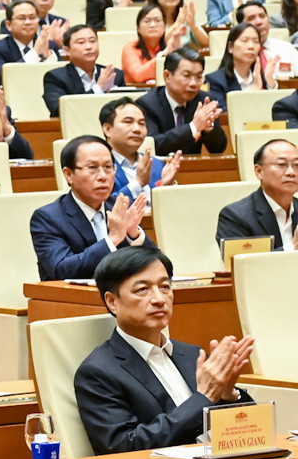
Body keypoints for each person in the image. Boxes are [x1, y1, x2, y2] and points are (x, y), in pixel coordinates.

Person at [73, 243, 255, 453]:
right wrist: (204, 398)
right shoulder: (98, 373)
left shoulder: (193, 355)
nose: (159, 299)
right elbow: (125, 447)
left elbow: (245, 433)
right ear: (112, 302)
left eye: (165, 287)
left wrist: (229, 395)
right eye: (142, 289)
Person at [31, 135, 155, 281]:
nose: (103, 176)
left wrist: (134, 235)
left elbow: (160, 267)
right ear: (69, 175)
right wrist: (112, 239)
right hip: (74, 301)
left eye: (108, 167)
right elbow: (62, 270)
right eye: (92, 168)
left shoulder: (119, 208)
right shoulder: (48, 218)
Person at [134, 48, 227, 157]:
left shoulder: (204, 101)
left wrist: (208, 128)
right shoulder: (147, 105)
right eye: (186, 76)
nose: (193, 83)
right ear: (167, 76)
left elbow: (218, 149)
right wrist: (193, 127)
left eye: (198, 77)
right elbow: (152, 146)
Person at [214, 138, 298, 251]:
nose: (291, 172)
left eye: (296, 165)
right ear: (259, 171)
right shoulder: (235, 216)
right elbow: (242, 264)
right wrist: (292, 247)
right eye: (281, 164)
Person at [42, 24, 117, 116]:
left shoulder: (113, 74)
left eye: (92, 41)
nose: (89, 47)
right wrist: (99, 88)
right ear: (67, 50)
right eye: (81, 42)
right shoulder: (55, 77)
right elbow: (59, 110)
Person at [0, 0, 60, 85]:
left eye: (32, 17)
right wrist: (34, 54)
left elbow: (61, 78)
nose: (28, 22)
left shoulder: (49, 45)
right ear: (9, 25)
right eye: (21, 18)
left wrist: (48, 58)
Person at [204, 22, 270, 110]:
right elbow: (221, 114)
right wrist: (252, 93)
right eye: (244, 41)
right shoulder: (215, 80)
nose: (251, 46)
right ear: (230, 47)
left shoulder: (263, 77)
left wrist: (272, 85)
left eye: (255, 41)